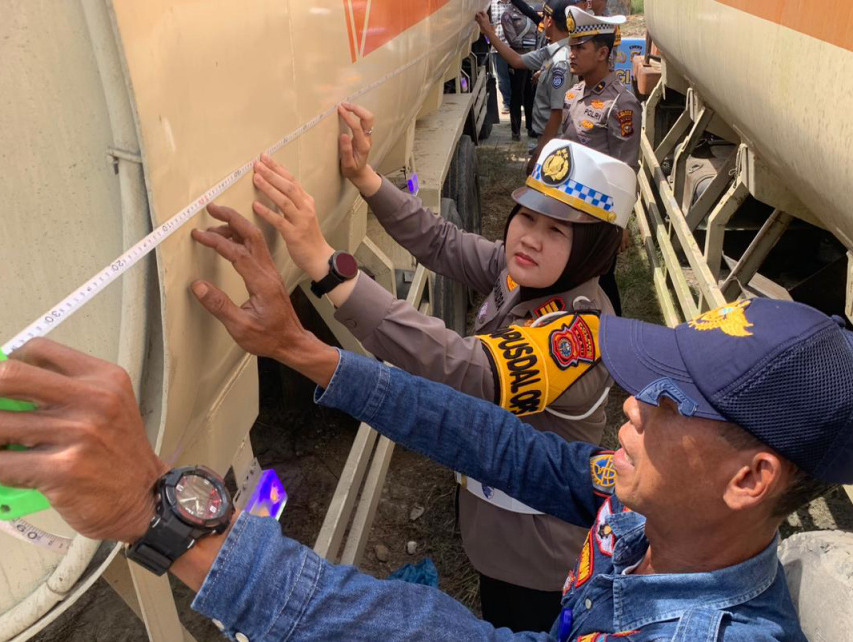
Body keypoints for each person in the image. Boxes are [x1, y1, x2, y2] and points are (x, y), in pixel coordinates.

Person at [0, 290, 853, 640]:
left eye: (670, 400)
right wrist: (307, 352)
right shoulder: (659, 511)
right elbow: (500, 444)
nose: (631, 404)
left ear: (750, 479)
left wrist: (162, 515)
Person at [241, 118, 633, 631]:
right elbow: (443, 242)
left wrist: (327, 266)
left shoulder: (577, 338)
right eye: (527, 216)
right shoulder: (528, 276)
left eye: (556, 230)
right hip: (494, 525)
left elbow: (462, 367)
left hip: (533, 556)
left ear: (594, 249)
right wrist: (367, 179)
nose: (530, 239)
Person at [561, 6, 644, 316]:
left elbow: (626, 168)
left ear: (602, 53)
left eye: (579, 47)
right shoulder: (573, 95)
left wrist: (619, 224)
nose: (571, 54)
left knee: (601, 285)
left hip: (598, 215)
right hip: (568, 206)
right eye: (571, 46)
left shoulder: (621, 104)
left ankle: (613, 334)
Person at [477, 0, 573, 173]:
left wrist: (538, 156)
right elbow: (517, 60)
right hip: (549, 139)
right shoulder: (553, 51)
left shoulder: (560, 62)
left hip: (554, 142)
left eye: (544, 17)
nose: (541, 21)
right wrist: (489, 33)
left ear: (549, 22)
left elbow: (557, 114)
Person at [501, 1, 538, 140]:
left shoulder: (530, 11)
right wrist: (534, 43)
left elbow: (537, 32)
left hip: (532, 59)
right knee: (517, 95)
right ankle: (515, 130)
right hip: (517, 59)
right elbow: (513, 41)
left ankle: (531, 127)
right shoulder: (507, 15)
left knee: (530, 95)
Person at [489, 0, 514, 114]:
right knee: (502, 78)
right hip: (498, 48)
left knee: (516, 77)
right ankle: (507, 102)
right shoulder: (491, 5)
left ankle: (518, 101)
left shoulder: (515, 4)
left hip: (514, 47)